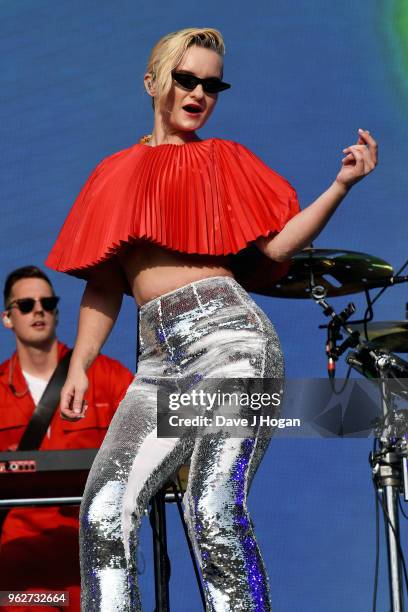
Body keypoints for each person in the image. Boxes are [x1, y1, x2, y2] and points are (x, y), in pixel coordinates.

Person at [45, 27, 377, 611]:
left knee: (213, 504)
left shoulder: (225, 159)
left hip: (233, 341)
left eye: (211, 84)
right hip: (157, 363)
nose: (199, 92)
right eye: (186, 79)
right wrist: (81, 363)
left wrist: (341, 185)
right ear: (152, 82)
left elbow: (275, 250)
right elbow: (104, 284)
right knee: (103, 508)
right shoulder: (112, 172)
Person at [0, 266, 133, 612]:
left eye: (48, 302)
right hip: (15, 575)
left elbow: (163, 434)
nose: (39, 310)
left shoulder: (107, 377)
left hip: (93, 564)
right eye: (26, 304)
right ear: (8, 318)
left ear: (58, 311)